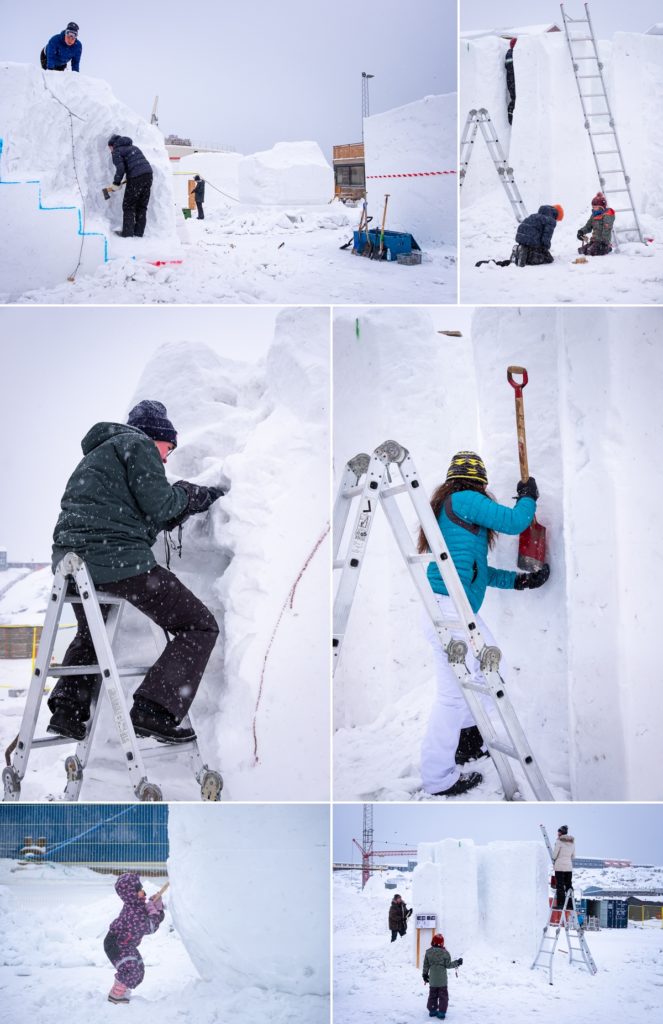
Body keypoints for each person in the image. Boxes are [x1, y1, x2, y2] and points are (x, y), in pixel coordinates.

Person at [47, 400, 223, 745]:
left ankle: (68, 710)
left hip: (72, 566)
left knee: (92, 635)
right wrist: (190, 494)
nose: (167, 458)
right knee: (198, 625)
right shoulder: (138, 444)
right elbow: (161, 504)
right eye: (168, 448)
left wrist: (176, 506)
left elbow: (137, 511)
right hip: (116, 559)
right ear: (156, 436)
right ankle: (153, 710)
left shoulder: (98, 456)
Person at [419, 451, 550, 797]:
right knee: (463, 688)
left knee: (474, 679)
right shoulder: (463, 500)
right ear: (479, 482)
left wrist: (519, 582)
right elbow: (514, 522)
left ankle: (465, 741)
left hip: (452, 609)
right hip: (451, 610)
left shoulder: (456, 513)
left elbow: (480, 573)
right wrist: (528, 497)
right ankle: (438, 776)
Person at [104, 872, 165, 1004]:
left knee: (138, 968)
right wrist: (154, 912)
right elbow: (150, 927)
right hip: (116, 944)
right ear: (131, 894)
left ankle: (121, 991)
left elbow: (150, 918)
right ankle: (117, 996)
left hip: (125, 944)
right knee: (131, 969)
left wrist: (157, 908)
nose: (143, 892)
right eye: (140, 890)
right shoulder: (132, 912)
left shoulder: (137, 906)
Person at [475, 205, 563, 268]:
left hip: (523, 238)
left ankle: (520, 251)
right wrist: (545, 248)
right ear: (557, 215)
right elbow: (546, 237)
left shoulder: (535, 215)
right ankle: (526, 255)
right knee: (548, 259)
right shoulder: (550, 220)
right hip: (531, 240)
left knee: (533, 251)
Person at [106, 135, 153, 238]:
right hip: (148, 175)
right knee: (141, 206)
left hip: (136, 177)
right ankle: (138, 233)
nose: (110, 150)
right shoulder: (134, 148)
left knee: (128, 206)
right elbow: (137, 165)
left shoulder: (117, 151)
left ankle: (127, 234)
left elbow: (120, 168)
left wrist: (116, 183)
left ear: (113, 145)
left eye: (110, 147)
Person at [423, 934, 463, 1020]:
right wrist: (457, 963)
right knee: (443, 997)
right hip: (442, 981)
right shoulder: (445, 953)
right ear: (442, 943)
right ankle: (441, 1013)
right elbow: (448, 965)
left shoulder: (428, 952)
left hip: (433, 980)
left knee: (432, 995)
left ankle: (432, 1010)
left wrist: (425, 975)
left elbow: (426, 965)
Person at [577, 192, 615, 256]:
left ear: (601, 207)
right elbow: (588, 226)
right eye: (593, 207)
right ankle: (595, 246)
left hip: (603, 242)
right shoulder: (594, 215)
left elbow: (607, 229)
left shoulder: (607, 215)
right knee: (582, 251)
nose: (594, 208)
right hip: (594, 241)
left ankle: (607, 248)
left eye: (596, 207)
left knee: (591, 252)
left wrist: (604, 241)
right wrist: (581, 231)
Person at [552, 825, 575, 910]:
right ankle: (570, 904)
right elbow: (573, 856)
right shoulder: (572, 842)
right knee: (569, 885)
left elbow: (554, 855)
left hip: (560, 867)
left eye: (558, 832)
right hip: (569, 868)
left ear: (561, 833)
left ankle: (561, 904)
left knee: (560, 885)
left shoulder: (559, 841)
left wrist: (555, 858)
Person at [505, 38, 517, 125]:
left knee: (515, 98)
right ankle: (511, 118)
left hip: (511, 80)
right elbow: (510, 66)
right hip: (512, 80)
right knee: (515, 98)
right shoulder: (511, 53)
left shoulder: (510, 53)